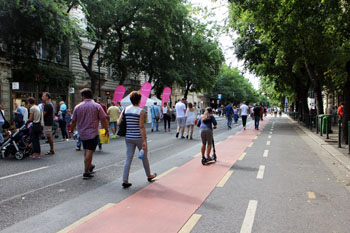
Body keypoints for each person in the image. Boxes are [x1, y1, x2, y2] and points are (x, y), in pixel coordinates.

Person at [118, 91, 157, 188]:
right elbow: (141, 126)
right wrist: (145, 140)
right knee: (144, 157)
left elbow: (119, 122)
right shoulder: (140, 111)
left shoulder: (125, 109)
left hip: (128, 137)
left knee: (128, 158)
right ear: (139, 100)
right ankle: (149, 175)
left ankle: (125, 179)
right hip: (139, 137)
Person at [71, 88, 109, 180]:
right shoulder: (97, 106)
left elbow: (73, 120)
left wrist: (71, 130)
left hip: (82, 133)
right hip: (93, 132)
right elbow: (103, 119)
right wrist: (106, 129)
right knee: (89, 151)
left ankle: (89, 165)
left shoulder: (78, 107)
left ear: (83, 96)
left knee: (86, 150)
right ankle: (86, 171)